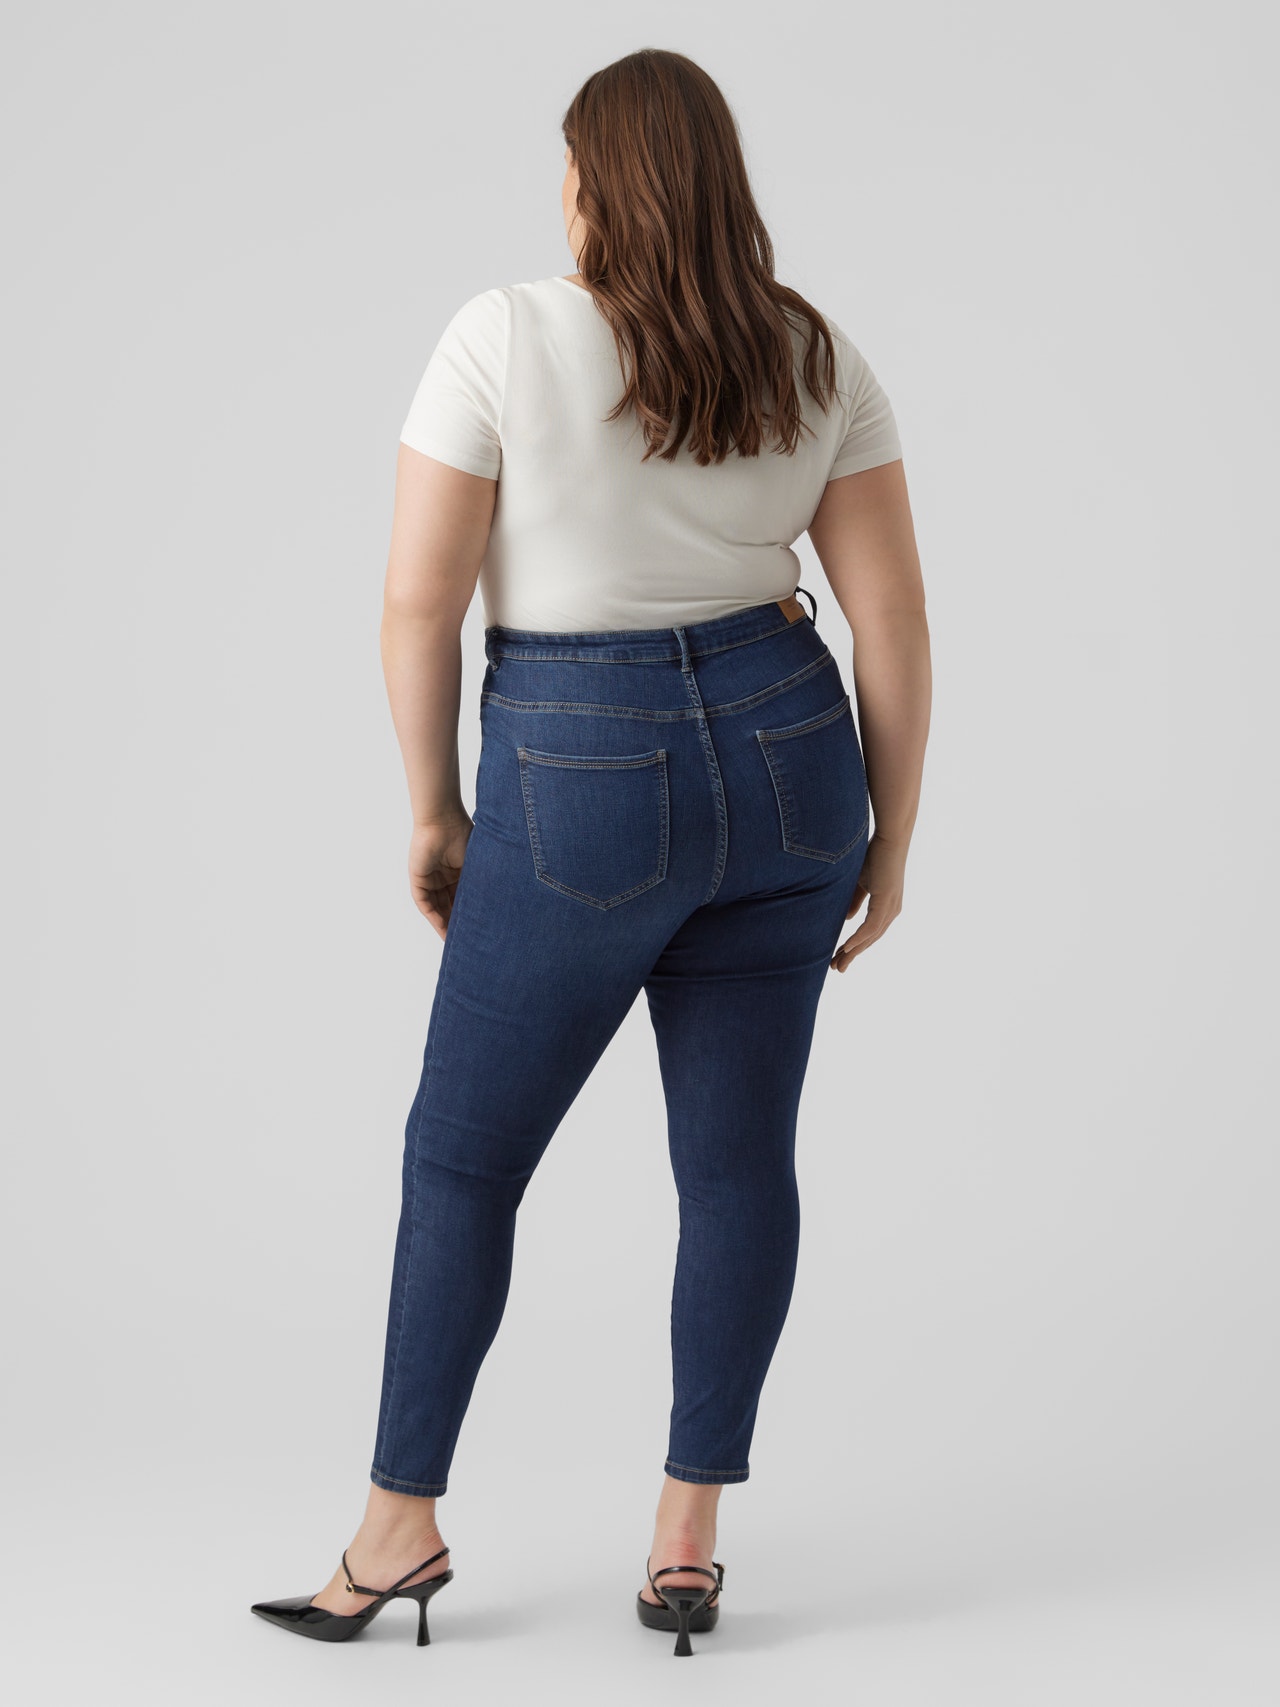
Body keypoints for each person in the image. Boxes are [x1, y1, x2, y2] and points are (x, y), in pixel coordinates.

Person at [251, 46, 930, 1657]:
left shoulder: (502, 335)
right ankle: (688, 1539)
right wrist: (892, 835)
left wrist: (435, 809)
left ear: (586, 183)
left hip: (581, 767)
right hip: (792, 756)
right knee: (737, 1166)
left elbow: (419, 600)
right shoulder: (814, 351)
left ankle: (397, 1532)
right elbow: (892, 616)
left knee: (464, 1161)